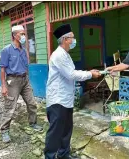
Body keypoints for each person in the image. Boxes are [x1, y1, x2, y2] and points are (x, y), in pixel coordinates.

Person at [44, 24, 101, 159]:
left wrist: (89, 73)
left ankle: (64, 155)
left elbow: (72, 73)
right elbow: (71, 74)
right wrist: (90, 74)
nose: (74, 40)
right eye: (72, 38)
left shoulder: (65, 54)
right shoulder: (58, 55)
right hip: (57, 99)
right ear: (65, 39)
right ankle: (50, 156)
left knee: (66, 129)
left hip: (66, 99)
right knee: (55, 131)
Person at [0, 25, 43, 143]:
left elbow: (25, 66)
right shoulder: (6, 50)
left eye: (24, 34)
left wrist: (27, 79)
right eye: (21, 34)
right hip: (12, 81)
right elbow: (2, 69)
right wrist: (4, 86)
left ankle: (33, 123)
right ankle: (4, 130)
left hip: (25, 80)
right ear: (14, 35)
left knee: (32, 103)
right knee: (10, 107)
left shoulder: (23, 50)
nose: (24, 36)